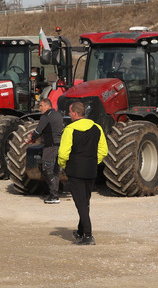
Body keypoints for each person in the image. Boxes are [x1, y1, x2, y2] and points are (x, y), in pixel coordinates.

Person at [58, 102, 108, 246]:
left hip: (75, 170)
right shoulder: (97, 127)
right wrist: (93, 161)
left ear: (74, 113)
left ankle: (88, 235)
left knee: (80, 203)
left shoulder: (70, 129)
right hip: (91, 170)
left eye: (69, 112)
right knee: (84, 201)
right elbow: (104, 150)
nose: (69, 114)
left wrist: (63, 164)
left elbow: (63, 152)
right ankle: (80, 231)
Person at [26, 98, 65, 204]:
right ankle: (55, 192)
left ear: (47, 105)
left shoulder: (46, 116)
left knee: (47, 169)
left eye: (41, 106)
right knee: (55, 170)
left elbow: (38, 131)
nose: (40, 108)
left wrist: (31, 138)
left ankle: (53, 195)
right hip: (59, 145)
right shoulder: (58, 115)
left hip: (50, 147)